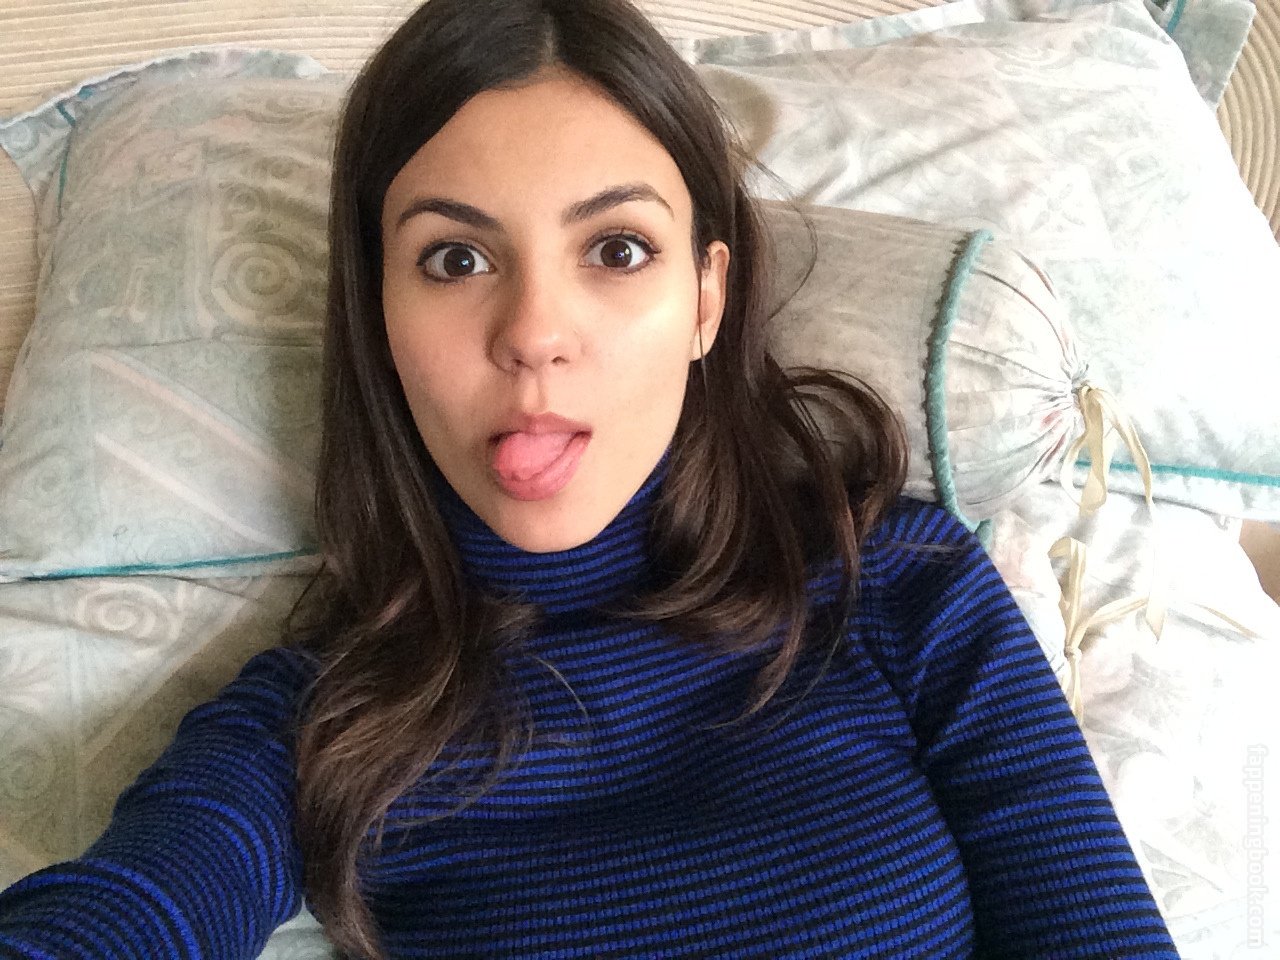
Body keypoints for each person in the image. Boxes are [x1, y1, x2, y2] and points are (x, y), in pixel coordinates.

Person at [0, 0, 1182, 957]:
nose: (532, 333)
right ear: (378, 315)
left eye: (615, 250)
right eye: (453, 259)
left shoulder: (897, 584)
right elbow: (135, 907)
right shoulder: (318, 725)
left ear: (706, 298)